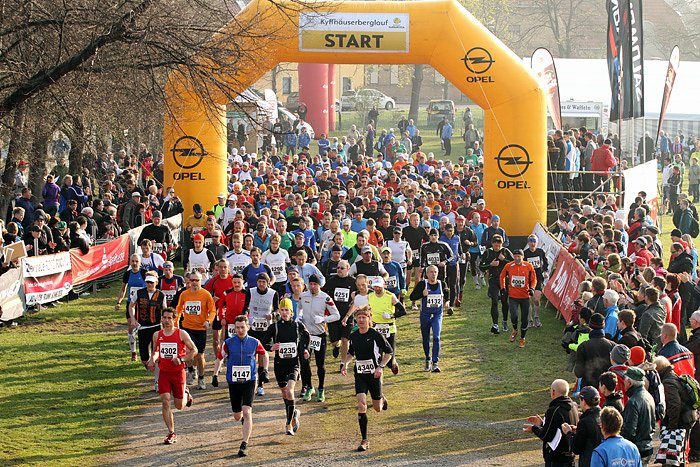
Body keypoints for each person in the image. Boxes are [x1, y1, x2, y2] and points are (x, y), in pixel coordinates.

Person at [340, 306, 392, 452]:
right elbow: (351, 353)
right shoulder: (354, 335)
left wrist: (380, 367)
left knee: (377, 409)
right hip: (360, 375)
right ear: (356, 320)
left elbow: (389, 352)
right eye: (359, 318)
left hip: (374, 375)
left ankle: (381, 398)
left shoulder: (376, 335)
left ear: (369, 319)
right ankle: (364, 440)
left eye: (364, 317)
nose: (361, 320)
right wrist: (345, 364)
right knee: (362, 404)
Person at [146, 307, 197, 445]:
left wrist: (181, 359)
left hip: (178, 373)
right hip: (164, 373)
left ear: (175, 319)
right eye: (164, 318)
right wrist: (152, 359)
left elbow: (194, 350)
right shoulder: (157, 335)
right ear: (161, 319)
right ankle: (171, 433)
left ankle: (186, 393)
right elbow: (156, 351)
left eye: (169, 318)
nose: (167, 320)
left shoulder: (181, 334)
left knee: (179, 406)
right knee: (165, 400)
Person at [221, 315, 269, 457]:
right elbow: (219, 357)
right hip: (234, 382)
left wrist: (265, 370)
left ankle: (244, 444)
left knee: (247, 411)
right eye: (237, 328)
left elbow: (265, 354)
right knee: (237, 416)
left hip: (250, 381)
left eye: (243, 327)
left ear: (248, 327)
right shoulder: (228, 343)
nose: (240, 330)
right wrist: (215, 374)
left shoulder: (254, 342)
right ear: (234, 329)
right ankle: (242, 418)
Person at [264, 298, 308, 435]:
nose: (284, 313)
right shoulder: (274, 327)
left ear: (291, 312)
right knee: (285, 393)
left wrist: (305, 349)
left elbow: (307, 336)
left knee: (289, 390)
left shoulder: (297, 326)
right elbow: (263, 342)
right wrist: (271, 347)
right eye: (282, 310)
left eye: (287, 310)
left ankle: (288, 424)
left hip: (293, 364)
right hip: (279, 365)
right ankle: (293, 413)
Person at [298, 274, 340, 402]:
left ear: (319, 285)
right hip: (306, 335)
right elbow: (299, 308)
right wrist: (299, 316)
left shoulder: (325, 298)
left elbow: (336, 315)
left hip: (319, 335)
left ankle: (321, 389)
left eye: (315, 284)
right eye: (310, 284)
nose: (312, 287)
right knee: (304, 362)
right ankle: (309, 387)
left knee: (320, 364)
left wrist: (323, 319)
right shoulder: (303, 296)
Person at [175, 271, 217, 390]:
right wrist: (176, 324)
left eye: (197, 280)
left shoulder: (206, 294)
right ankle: (190, 370)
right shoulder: (184, 294)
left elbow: (213, 310)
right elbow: (178, 309)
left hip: (200, 329)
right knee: (189, 352)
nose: (194, 283)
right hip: (187, 327)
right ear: (189, 281)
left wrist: (208, 321)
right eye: (192, 280)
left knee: (199, 355)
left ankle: (201, 378)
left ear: (200, 281)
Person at [523, 379, 579, 467]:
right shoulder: (573, 407)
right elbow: (557, 428)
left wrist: (533, 429)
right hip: (570, 457)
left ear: (553, 392)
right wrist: (542, 424)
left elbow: (547, 436)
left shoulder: (554, 410)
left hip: (556, 459)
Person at [129, 271, 167, 390]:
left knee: (156, 354)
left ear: (156, 282)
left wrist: (166, 323)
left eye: (152, 282)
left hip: (156, 327)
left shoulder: (161, 295)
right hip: (143, 327)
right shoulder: (139, 293)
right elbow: (131, 305)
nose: (149, 284)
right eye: (148, 282)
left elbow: (164, 309)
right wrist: (133, 319)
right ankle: (151, 367)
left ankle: (157, 381)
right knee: (144, 357)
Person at [243, 272, 278, 396]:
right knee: (252, 354)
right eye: (259, 282)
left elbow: (277, 309)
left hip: (266, 327)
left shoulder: (273, 293)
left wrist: (272, 315)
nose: (261, 284)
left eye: (264, 282)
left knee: (263, 352)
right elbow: (245, 307)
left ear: (268, 283)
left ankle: (262, 380)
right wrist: (245, 316)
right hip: (253, 327)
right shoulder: (250, 291)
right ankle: (251, 381)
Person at [409, 264, 449, 372]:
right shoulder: (423, 284)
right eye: (431, 272)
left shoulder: (442, 284)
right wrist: (422, 294)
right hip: (425, 315)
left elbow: (447, 293)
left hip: (437, 314)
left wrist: (447, 302)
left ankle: (435, 362)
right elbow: (412, 297)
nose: (433, 274)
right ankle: (427, 358)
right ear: (427, 274)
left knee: (436, 337)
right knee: (425, 338)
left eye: (435, 272)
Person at [499, 249, 537, 348]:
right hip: (513, 297)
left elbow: (534, 279)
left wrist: (532, 288)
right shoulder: (509, 265)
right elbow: (502, 276)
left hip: (525, 297)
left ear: (522, 257)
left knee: (524, 319)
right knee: (514, 316)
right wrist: (503, 288)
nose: (516, 258)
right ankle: (515, 330)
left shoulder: (528, 266)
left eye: (518, 256)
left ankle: (522, 338)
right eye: (515, 256)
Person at [323, 259, 356, 364]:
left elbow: (358, 298)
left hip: (347, 315)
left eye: (342, 268)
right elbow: (323, 293)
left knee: (345, 339)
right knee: (334, 341)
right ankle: (336, 346)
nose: (339, 270)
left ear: (348, 269)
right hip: (333, 315)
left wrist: (348, 315)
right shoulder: (332, 281)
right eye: (338, 268)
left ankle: (343, 362)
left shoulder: (353, 282)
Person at [561, 386, 603, 467]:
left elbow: (576, 449)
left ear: (583, 401)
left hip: (589, 461)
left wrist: (569, 433)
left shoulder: (584, 422)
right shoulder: (603, 416)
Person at [620, 367, 655, 464]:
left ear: (629, 382)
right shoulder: (649, 396)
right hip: (648, 447)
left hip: (637, 450)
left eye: (625, 380)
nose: (623, 382)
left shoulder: (633, 402)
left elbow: (629, 432)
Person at [479, 235, 513, 334]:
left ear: (501, 244)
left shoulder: (505, 251)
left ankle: (505, 321)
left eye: (499, 245)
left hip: (504, 279)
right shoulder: (488, 252)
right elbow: (481, 266)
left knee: (504, 301)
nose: (497, 247)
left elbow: (514, 264)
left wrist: (504, 260)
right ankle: (495, 324)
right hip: (493, 279)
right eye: (495, 244)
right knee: (494, 301)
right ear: (492, 244)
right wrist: (490, 265)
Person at [116, 254, 147, 361]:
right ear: (130, 262)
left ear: (140, 263)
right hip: (131, 304)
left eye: (136, 261)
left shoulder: (144, 273)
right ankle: (133, 352)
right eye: (132, 261)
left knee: (143, 327)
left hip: (142, 304)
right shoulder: (127, 274)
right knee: (131, 326)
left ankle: (146, 349)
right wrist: (118, 302)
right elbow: (123, 289)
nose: (134, 263)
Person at [575, 313, 616, 389]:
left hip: (588, 388)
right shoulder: (612, 345)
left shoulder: (583, 346)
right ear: (603, 326)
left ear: (590, 326)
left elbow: (578, 373)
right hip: (606, 387)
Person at [523, 235, 548, 328]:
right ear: (528, 242)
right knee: (528, 300)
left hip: (538, 278)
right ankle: (529, 320)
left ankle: (536, 317)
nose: (532, 244)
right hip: (528, 279)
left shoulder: (540, 252)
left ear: (537, 243)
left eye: (534, 242)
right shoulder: (525, 254)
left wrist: (545, 271)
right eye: (531, 242)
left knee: (536, 300)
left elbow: (545, 262)